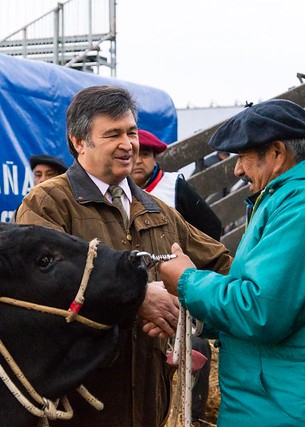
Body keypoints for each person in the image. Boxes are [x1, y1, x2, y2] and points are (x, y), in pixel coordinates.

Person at [16, 85, 232, 427]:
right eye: (113, 134)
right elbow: (36, 293)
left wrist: (193, 299)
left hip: (154, 397)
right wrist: (136, 299)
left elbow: (221, 266)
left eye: (131, 132)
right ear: (78, 141)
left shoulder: (157, 210)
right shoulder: (48, 204)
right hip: (84, 399)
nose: (128, 144)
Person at [158, 99, 305, 426]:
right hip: (288, 398)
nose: (236, 169)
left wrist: (187, 281)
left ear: (277, 154)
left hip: (302, 407)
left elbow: (261, 310)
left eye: (244, 157)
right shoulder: (295, 202)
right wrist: (192, 311)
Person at [130, 128, 218, 423]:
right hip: (136, 289)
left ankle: (190, 414)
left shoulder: (173, 187)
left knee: (196, 345)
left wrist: (187, 269)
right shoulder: (117, 191)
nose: (139, 161)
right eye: (136, 153)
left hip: (172, 283)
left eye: (146, 154)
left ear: (155, 158)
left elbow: (210, 227)